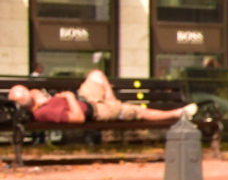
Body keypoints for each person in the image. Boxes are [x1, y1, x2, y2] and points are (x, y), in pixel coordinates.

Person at [7, 73, 196, 126]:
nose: (35, 91)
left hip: (87, 98)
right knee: (138, 111)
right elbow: (78, 117)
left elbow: (33, 94)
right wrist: (69, 96)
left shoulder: (38, 102)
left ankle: (111, 98)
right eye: (30, 93)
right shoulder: (45, 112)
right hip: (95, 111)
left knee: (96, 74)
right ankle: (177, 114)